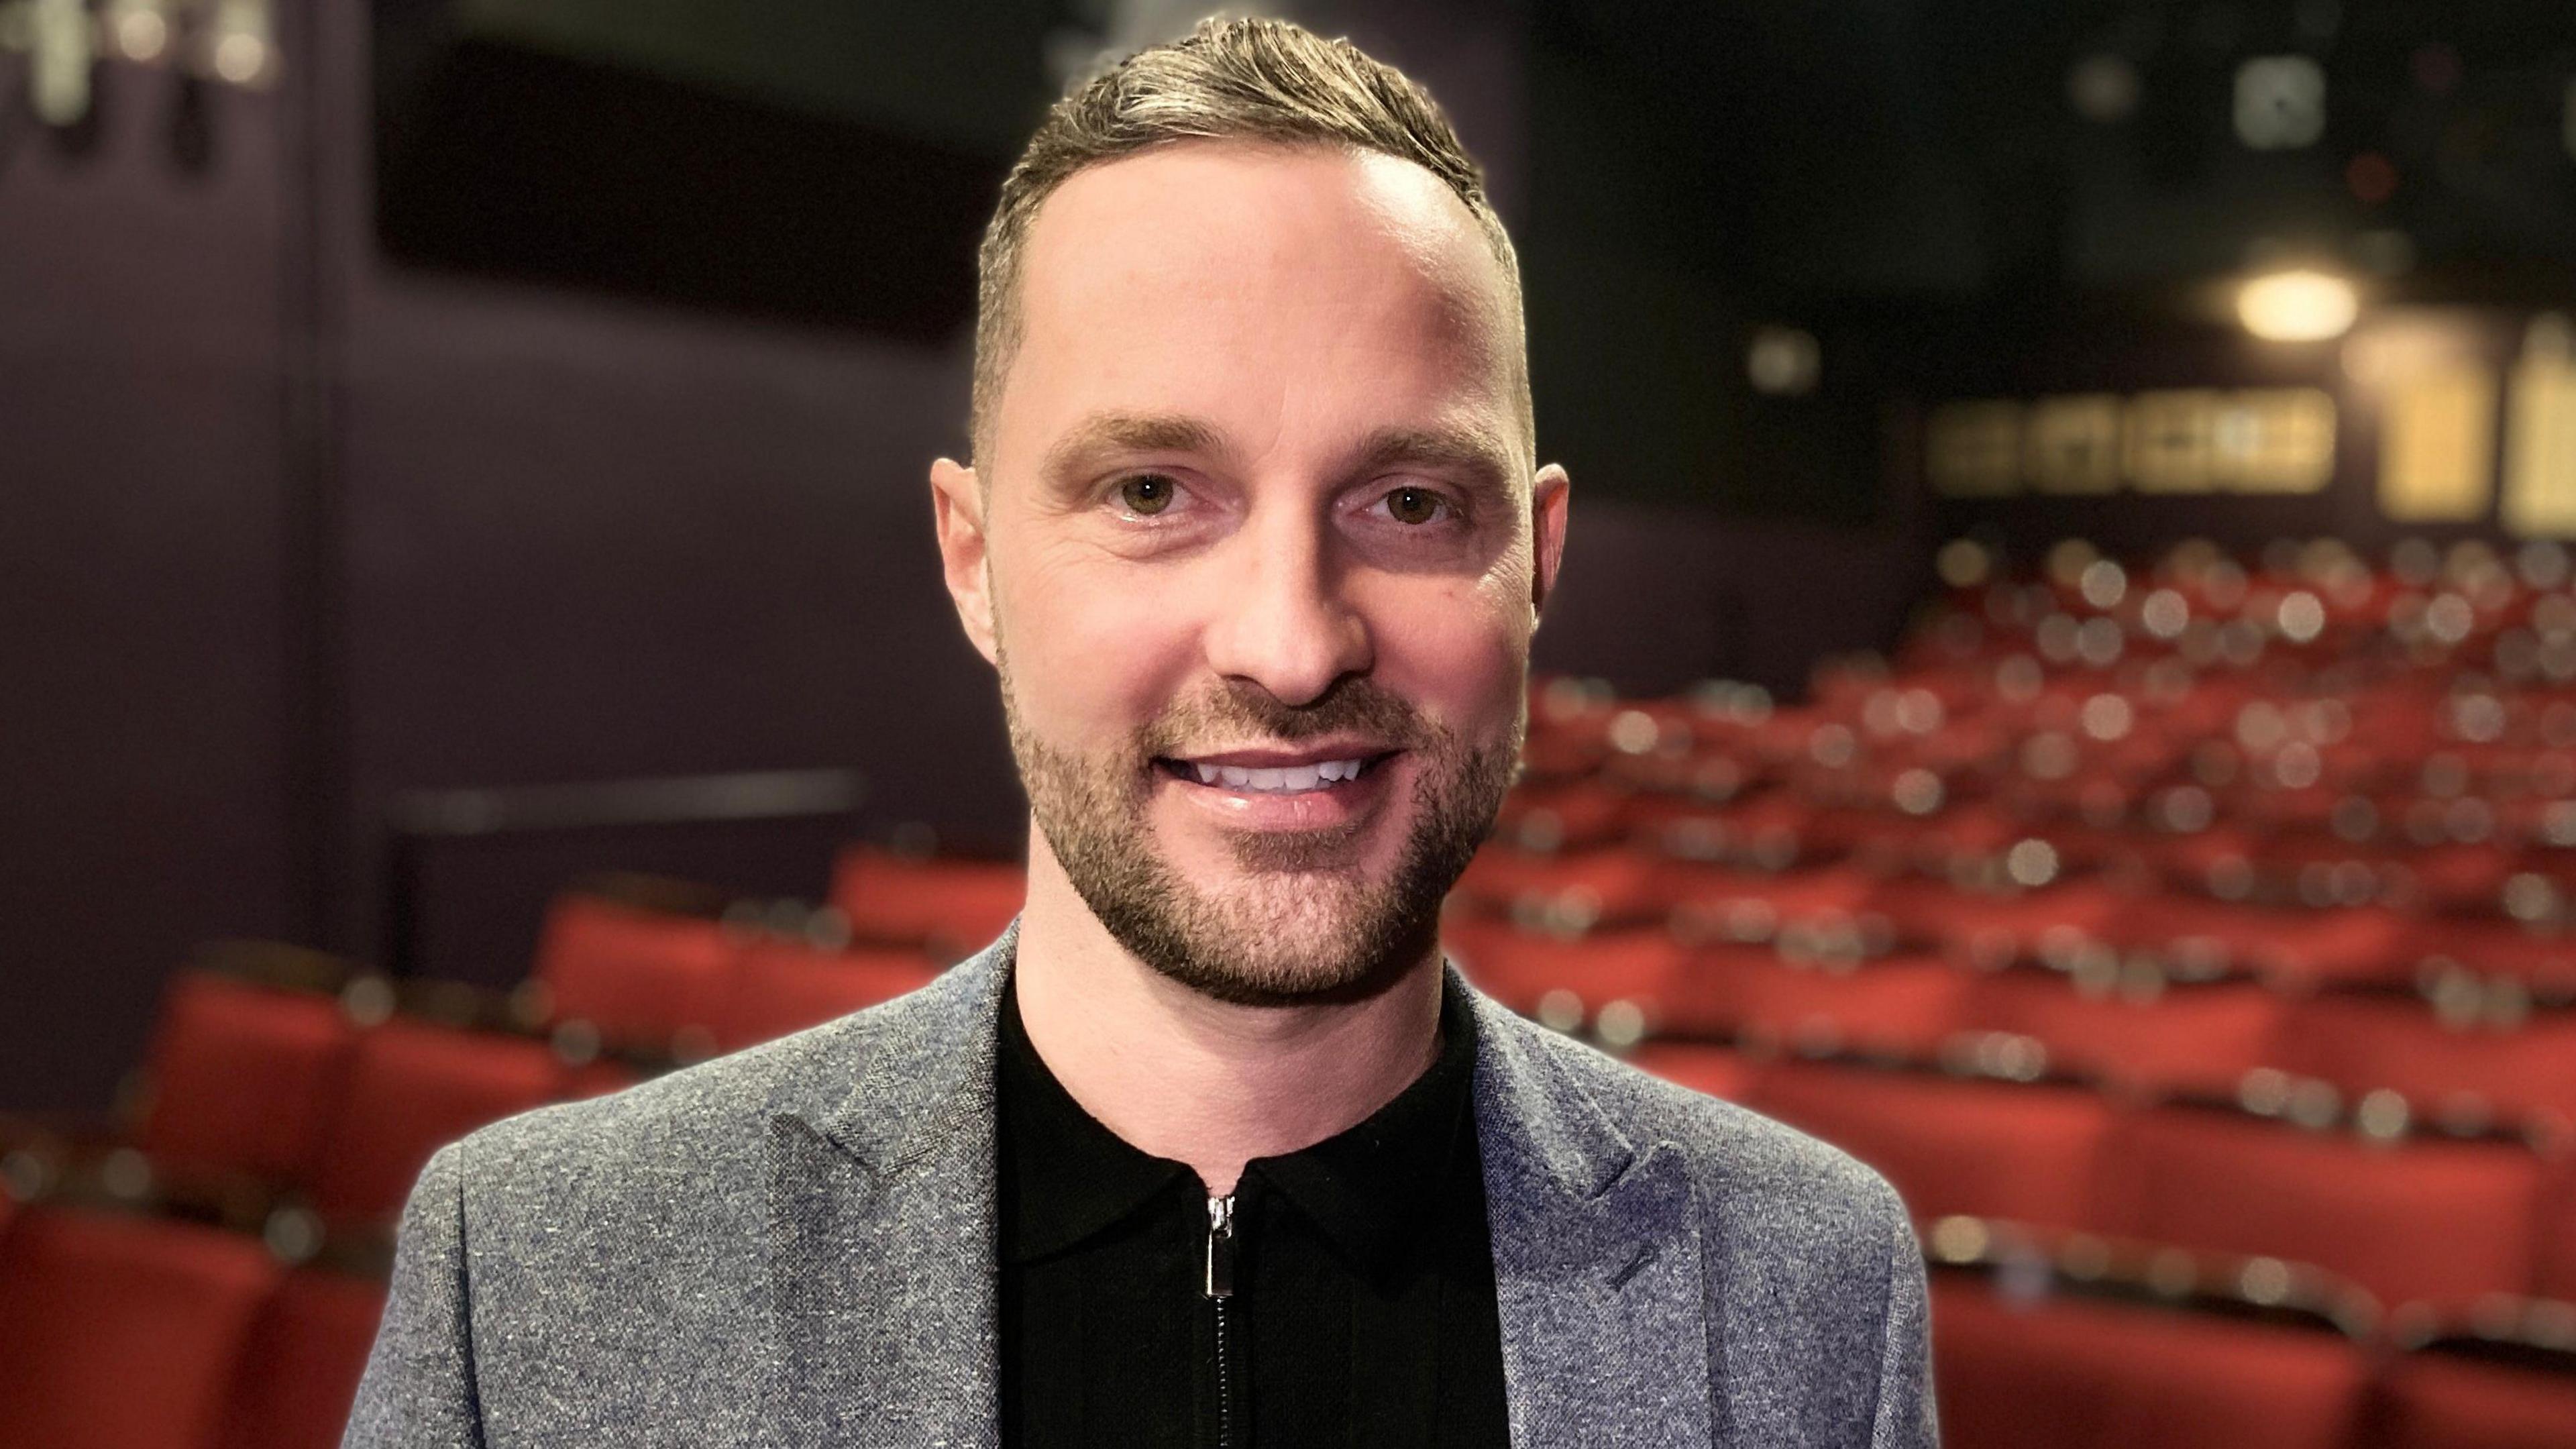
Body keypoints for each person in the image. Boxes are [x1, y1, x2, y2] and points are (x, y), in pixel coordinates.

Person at [343, 17, 1934, 1448]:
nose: (1293, 644)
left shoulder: (1813, 1297)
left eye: (1408, 502)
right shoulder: (541, 1280)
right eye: (1154, 494)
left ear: (1539, 561)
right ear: (976, 562)